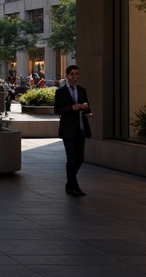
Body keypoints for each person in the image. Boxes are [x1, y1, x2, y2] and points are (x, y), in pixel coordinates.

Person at [53, 64, 91, 197]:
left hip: (81, 128)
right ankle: (74, 186)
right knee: (72, 159)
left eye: (77, 74)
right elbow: (57, 110)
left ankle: (70, 183)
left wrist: (86, 108)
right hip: (68, 129)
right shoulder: (60, 92)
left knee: (80, 158)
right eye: (72, 74)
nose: (75, 77)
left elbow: (88, 107)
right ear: (67, 76)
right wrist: (72, 108)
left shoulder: (82, 90)